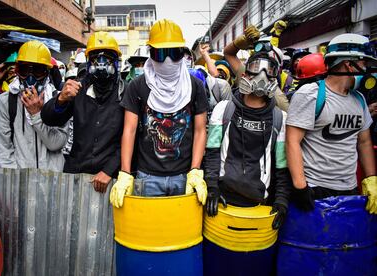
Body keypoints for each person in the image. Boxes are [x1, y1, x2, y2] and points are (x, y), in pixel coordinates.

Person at [109, 19, 208, 207]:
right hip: (148, 176)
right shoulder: (137, 86)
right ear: (151, 54)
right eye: (161, 53)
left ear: (182, 54)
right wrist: (125, 173)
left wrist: (195, 170)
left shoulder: (195, 87)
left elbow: (200, 130)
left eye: (174, 53)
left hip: (184, 176)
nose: (168, 61)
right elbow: (129, 130)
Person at [286, 33, 377, 214]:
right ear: (348, 65)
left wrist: (372, 179)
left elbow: (364, 142)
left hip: (349, 189)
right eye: (363, 63)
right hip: (315, 188)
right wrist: (300, 186)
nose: (367, 69)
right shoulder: (310, 94)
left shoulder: (359, 100)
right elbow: (292, 140)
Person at [204, 42, 291, 228]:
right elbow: (212, 153)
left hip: (258, 204)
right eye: (256, 67)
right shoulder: (223, 109)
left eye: (269, 70)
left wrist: (281, 200)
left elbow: (282, 166)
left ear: (276, 77)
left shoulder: (279, 119)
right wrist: (211, 188)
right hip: (222, 201)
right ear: (244, 73)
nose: (262, 75)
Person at [41, 31, 125, 193]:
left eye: (107, 58)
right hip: (76, 174)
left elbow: (131, 138)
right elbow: (49, 118)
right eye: (95, 58)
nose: (101, 64)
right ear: (88, 62)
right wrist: (61, 99)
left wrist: (109, 169)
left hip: (110, 178)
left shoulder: (125, 92)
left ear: (116, 62)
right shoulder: (76, 89)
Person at [0, 40, 67, 171]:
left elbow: (56, 144)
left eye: (37, 71)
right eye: (24, 70)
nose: (30, 78)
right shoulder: (5, 102)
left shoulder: (59, 100)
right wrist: (17, 184)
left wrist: (37, 115)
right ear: (17, 71)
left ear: (47, 73)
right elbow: (3, 151)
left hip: (52, 182)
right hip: (18, 182)